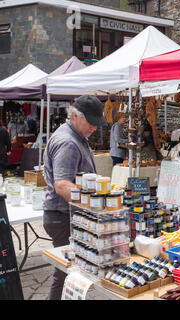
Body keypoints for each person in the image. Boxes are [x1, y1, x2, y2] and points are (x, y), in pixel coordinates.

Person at [43, 95, 106, 300]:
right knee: (66, 272)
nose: (94, 128)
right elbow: (62, 185)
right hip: (63, 217)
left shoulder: (75, 135)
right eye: (91, 123)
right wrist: (94, 205)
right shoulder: (68, 142)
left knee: (70, 271)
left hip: (64, 215)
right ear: (76, 116)